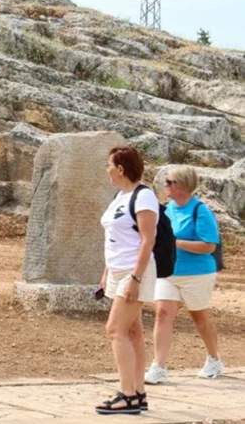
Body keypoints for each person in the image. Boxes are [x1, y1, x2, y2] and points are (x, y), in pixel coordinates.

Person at [144, 166, 223, 384]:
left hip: (197, 274)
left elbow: (209, 246)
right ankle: (158, 366)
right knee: (162, 313)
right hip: (168, 272)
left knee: (199, 317)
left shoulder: (200, 210)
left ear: (182, 186)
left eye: (170, 182)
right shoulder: (167, 209)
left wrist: (176, 243)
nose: (166, 186)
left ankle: (214, 358)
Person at [95, 146, 157, 415]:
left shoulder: (144, 197)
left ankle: (127, 395)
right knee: (133, 332)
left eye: (109, 165)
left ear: (120, 169)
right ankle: (138, 392)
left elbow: (147, 240)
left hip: (135, 271)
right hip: (118, 270)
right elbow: (115, 237)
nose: (106, 169)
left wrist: (135, 277)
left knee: (115, 329)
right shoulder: (119, 196)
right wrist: (107, 271)